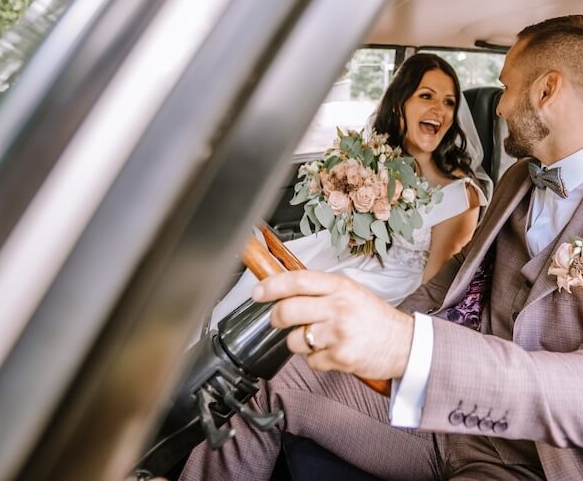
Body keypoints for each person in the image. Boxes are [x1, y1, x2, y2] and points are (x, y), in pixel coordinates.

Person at [180, 15, 583, 480]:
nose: (496, 107)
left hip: (550, 465)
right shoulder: (519, 180)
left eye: (506, 86)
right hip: (451, 423)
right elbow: (448, 282)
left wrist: (408, 348)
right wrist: (374, 331)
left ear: (546, 90)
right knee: (279, 373)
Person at [207, 53, 488, 328]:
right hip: (356, 261)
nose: (440, 109)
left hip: (393, 292)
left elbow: (436, 290)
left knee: (296, 299)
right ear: (398, 104)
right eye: (426, 96)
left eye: (449, 102)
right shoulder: (379, 161)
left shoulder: (459, 195)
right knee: (265, 276)